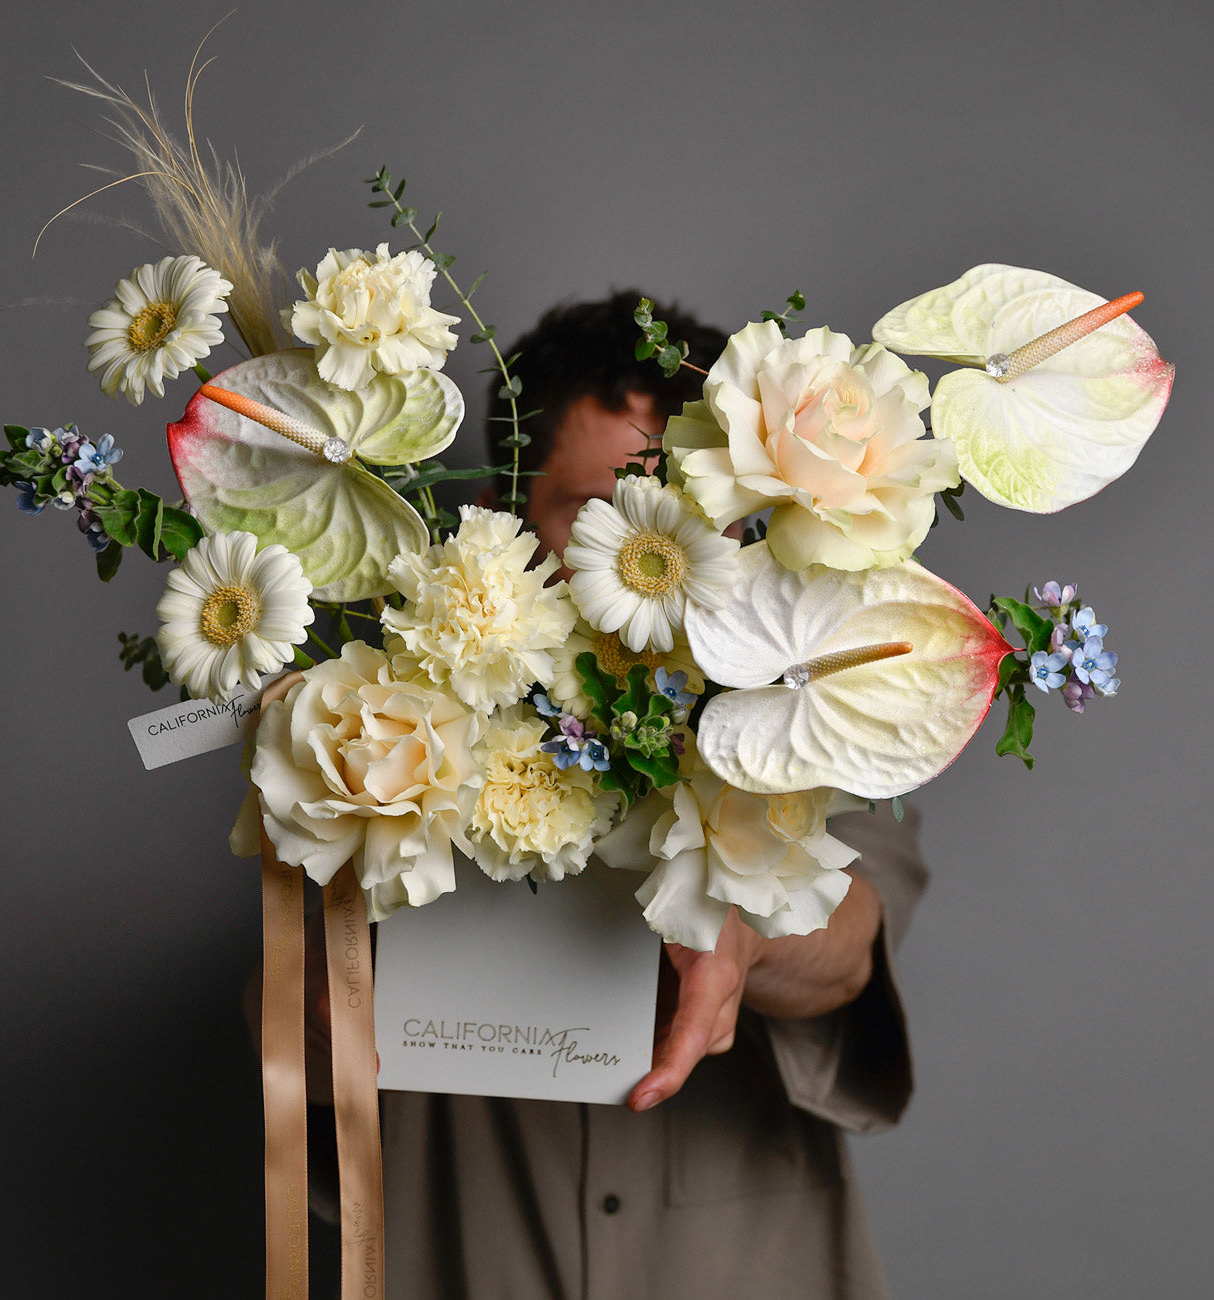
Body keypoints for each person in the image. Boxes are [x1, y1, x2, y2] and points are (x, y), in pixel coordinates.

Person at [304, 292, 929, 1299]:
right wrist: (312, 998)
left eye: (692, 517)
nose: (656, 559)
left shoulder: (817, 717)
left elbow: (853, 938)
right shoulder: (394, 729)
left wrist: (742, 930)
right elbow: (302, 1015)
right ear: (509, 521)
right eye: (600, 511)